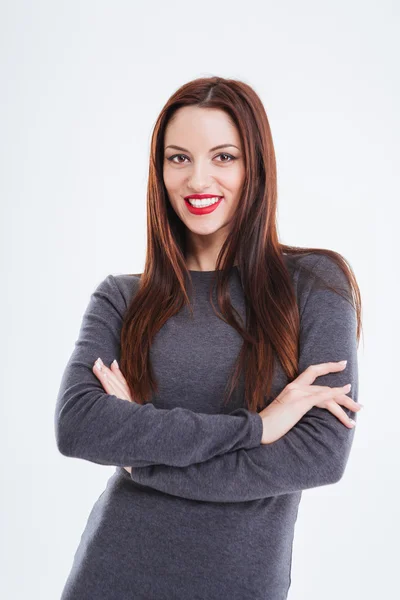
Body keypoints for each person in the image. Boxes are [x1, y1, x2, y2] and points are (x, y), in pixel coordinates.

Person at [55, 75, 363, 600]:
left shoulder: (315, 284)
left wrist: (140, 454)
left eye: (224, 157)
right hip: (112, 575)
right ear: (160, 171)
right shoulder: (122, 297)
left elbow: (318, 456)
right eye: (179, 158)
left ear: (255, 166)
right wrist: (258, 427)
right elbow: (78, 424)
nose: (199, 179)